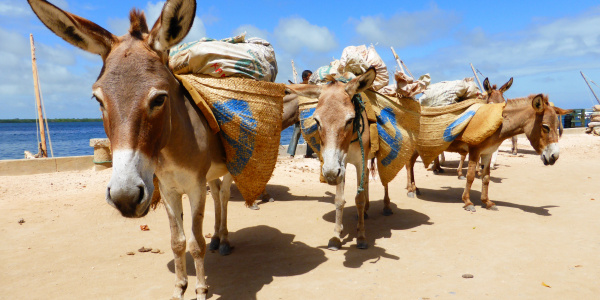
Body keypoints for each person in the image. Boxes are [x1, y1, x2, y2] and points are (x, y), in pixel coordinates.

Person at [287, 70, 315, 158]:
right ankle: (291, 154)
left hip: (308, 112)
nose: (311, 79)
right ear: (305, 78)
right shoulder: (300, 87)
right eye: (310, 77)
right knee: (297, 131)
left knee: (310, 132)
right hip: (299, 112)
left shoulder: (310, 87)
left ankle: (309, 153)